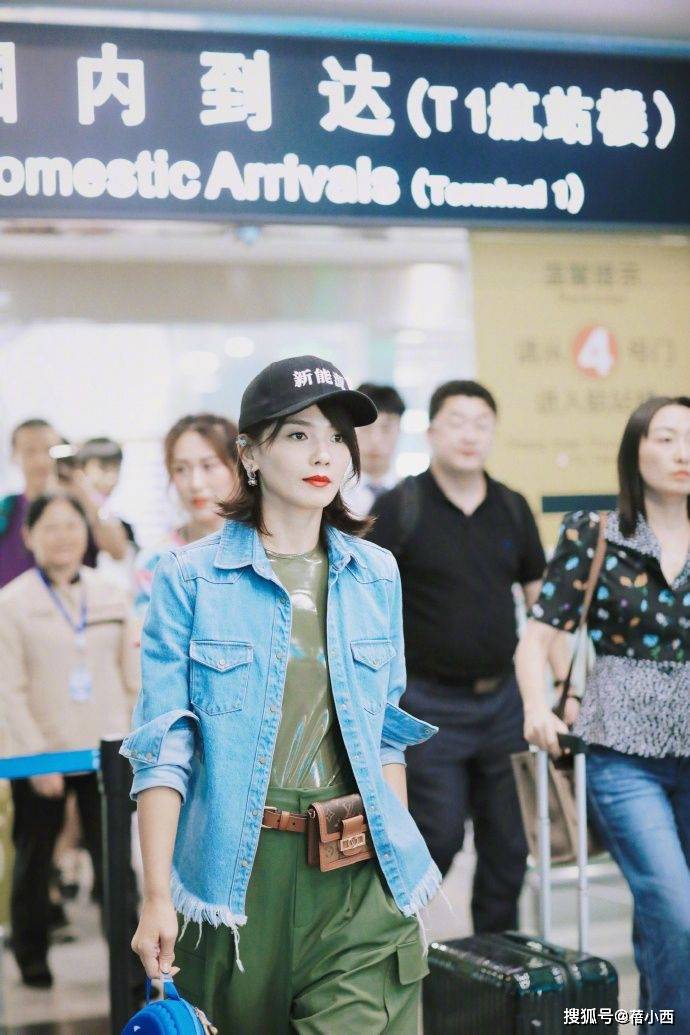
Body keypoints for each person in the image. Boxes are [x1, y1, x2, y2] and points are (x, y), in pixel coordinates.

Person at [121, 355, 440, 1034]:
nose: (323, 453)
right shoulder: (189, 577)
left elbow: (386, 732)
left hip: (358, 872)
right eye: (298, 434)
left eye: (336, 437)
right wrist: (155, 895)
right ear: (250, 454)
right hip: (236, 876)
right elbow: (164, 749)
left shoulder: (376, 572)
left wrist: (397, 866)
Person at [516, 395, 690, 1035]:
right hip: (621, 753)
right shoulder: (595, 531)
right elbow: (537, 636)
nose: (683, 452)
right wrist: (538, 705)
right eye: (666, 438)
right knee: (676, 910)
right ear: (634, 451)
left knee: (665, 917)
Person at [366, 379, 558, 934]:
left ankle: (496, 965)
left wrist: (563, 691)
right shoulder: (400, 506)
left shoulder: (512, 507)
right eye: (456, 422)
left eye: (481, 424)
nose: (469, 435)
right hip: (428, 704)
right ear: (431, 432)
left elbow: (544, 610)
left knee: (508, 847)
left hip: (503, 703)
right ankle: (390, 945)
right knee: (438, 834)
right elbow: (367, 603)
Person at [0, 492, 140, 989]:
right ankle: (31, 959)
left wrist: (134, 741)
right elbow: (8, 688)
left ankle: (128, 965)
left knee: (115, 861)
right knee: (35, 858)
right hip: (41, 752)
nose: (63, 537)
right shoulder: (12, 603)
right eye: (51, 527)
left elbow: (131, 674)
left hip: (107, 750)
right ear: (28, 536)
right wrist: (36, 758)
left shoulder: (111, 593)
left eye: (72, 525)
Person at [133, 414, 238, 618]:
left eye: (209, 466)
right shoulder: (156, 562)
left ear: (238, 467)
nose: (195, 483)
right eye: (181, 469)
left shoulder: (268, 549)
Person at [0, 419, 62, 588]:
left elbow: (117, 551)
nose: (40, 460)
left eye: (48, 450)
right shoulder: (5, 510)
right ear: (14, 455)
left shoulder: (77, 508)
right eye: (30, 451)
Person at [344, 383, 405, 517]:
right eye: (366, 428)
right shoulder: (333, 494)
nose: (375, 439)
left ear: (399, 430)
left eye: (386, 428)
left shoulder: (413, 495)